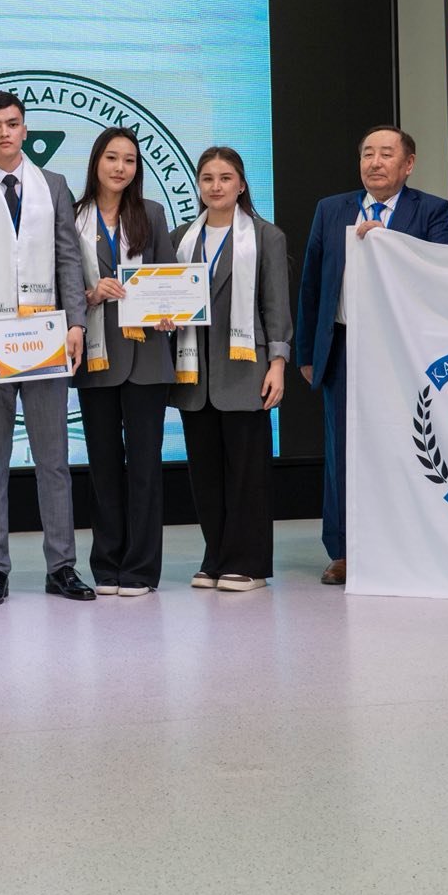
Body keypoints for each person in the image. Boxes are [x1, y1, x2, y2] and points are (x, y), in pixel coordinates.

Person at [0, 90, 92, 608]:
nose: (4, 132)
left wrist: (77, 322)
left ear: (25, 129)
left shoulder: (55, 185)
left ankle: (62, 566)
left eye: (12, 123)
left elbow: (68, 259)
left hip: (47, 340)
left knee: (54, 461)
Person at [295, 125, 448, 586]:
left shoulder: (432, 211)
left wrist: (389, 243)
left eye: (387, 154)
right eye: (368, 153)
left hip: (406, 349)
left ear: (409, 164)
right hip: (344, 347)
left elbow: (445, 271)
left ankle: (413, 545)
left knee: (411, 444)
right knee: (342, 452)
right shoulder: (331, 209)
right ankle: (344, 550)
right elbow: (311, 283)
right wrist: (307, 351)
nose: (375, 162)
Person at [169, 147, 292, 592]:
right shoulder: (180, 238)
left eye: (225, 178)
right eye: (207, 178)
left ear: (241, 184)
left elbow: (275, 304)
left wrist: (278, 363)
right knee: (205, 473)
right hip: (193, 373)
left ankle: (249, 564)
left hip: (246, 367)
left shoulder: (265, 236)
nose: (216, 186)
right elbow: (167, 298)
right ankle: (216, 558)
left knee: (246, 472)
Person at [71, 127, 176, 597]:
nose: (120, 167)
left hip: (147, 357)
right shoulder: (73, 217)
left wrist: (171, 311)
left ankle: (141, 569)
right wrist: (91, 294)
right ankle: (107, 564)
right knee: (104, 467)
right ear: (96, 161)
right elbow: (61, 284)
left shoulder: (150, 214)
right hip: (96, 356)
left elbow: (170, 277)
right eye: (112, 158)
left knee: (146, 468)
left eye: (130, 160)